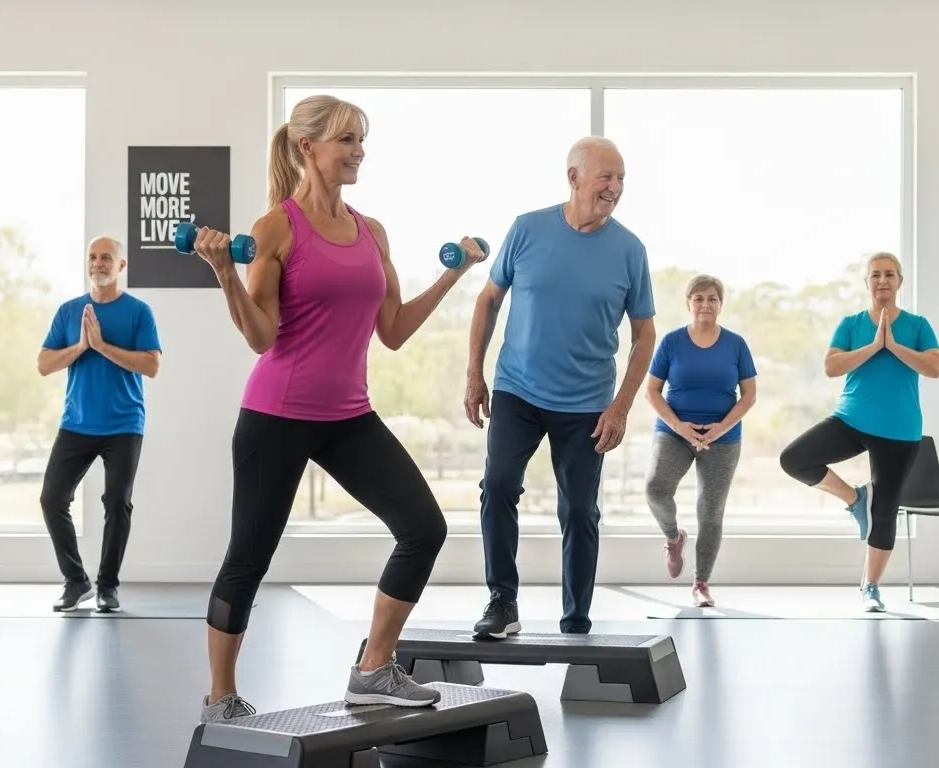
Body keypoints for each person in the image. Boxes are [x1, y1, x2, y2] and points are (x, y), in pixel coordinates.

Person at [189, 94, 482, 723]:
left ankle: (374, 667)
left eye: (362, 141)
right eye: (346, 140)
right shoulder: (277, 227)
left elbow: (395, 330)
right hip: (277, 413)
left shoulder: (371, 231)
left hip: (349, 413)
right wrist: (224, 272)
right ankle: (220, 698)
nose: (358, 153)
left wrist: (453, 277)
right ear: (307, 147)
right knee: (250, 554)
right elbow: (262, 337)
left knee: (424, 527)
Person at [464, 136, 656, 638]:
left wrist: (620, 407)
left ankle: (576, 620)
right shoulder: (527, 229)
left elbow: (644, 334)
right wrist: (473, 374)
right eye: (605, 177)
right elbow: (488, 301)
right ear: (574, 177)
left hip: (589, 404)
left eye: (621, 180)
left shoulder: (629, 250)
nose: (614, 188)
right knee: (499, 484)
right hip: (517, 390)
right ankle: (502, 602)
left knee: (578, 508)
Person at [778, 252, 939, 613]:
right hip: (851, 418)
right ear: (867, 282)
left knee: (885, 511)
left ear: (900, 281)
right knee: (794, 459)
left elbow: (935, 367)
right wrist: (874, 346)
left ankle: (870, 587)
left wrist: (895, 346)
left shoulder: (917, 325)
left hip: (900, 429)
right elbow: (831, 366)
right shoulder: (851, 324)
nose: (882, 281)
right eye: (875, 275)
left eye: (889, 275)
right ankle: (855, 499)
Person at [36, 235, 161, 614]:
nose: (98, 263)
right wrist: (81, 347)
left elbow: (152, 366)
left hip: (124, 424)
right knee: (52, 498)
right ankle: (77, 582)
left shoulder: (138, 312)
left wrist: (103, 346)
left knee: (117, 502)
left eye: (107, 257)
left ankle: (108, 586)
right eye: (93, 257)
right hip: (77, 423)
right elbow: (44, 364)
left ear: (121, 266)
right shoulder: (69, 311)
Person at [644, 274, 757, 607]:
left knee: (710, 511)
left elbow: (749, 394)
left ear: (721, 304)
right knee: (656, 488)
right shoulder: (672, 342)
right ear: (688, 303)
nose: (706, 304)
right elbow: (652, 390)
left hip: (722, 437)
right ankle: (673, 537)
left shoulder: (736, 344)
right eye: (699, 298)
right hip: (676, 433)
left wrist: (721, 428)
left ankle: (701, 583)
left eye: (712, 298)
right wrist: (679, 427)